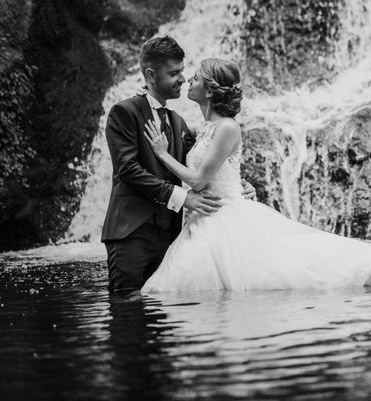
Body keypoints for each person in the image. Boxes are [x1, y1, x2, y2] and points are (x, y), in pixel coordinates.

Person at [141, 57, 371, 292]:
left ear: (211, 90)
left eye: (197, 78)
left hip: (226, 219)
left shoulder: (227, 127)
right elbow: (211, 174)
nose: (190, 81)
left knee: (291, 270)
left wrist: (160, 154)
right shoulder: (205, 127)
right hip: (206, 218)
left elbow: (198, 180)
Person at [101, 36, 256, 299]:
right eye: (174, 73)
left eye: (183, 72)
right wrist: (183, 198)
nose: (183, 79)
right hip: (132, 232)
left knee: (164, 315)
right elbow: (128, 170)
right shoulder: (124, 112)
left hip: (173, 236)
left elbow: (209, 166)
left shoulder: (179, 122)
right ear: (151, 74)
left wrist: (241, 187)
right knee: (126, 306)